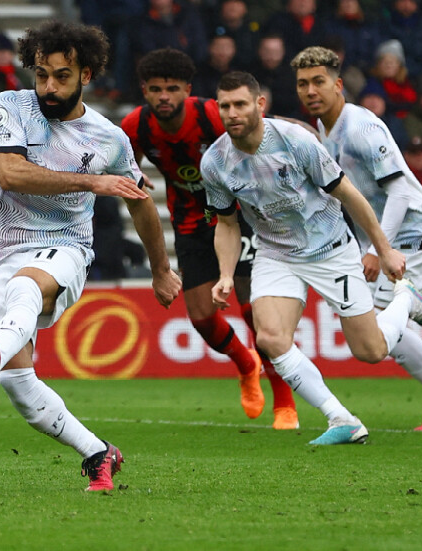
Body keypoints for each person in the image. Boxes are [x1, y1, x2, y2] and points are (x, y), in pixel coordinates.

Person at [0, 21, 181, 491]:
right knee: (17, 384)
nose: (49, 88)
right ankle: (99, 453)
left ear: (87, 74)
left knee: (26, 286)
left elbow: (140, 202)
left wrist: (161, 270)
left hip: (65, 244)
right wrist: (92, 181)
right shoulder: (11, 106)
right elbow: (11, 173)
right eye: (42, 75)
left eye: (61, 76)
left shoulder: (108, 138)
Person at [200, 71, 422, 445]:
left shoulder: (296, 141)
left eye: (240, 104)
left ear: (260, 105)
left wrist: (383, 250)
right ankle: (341, 418)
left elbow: (349, 195)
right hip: (276, 254)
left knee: (371, 351)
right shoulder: (215, 162)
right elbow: (228, 224)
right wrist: (226, 274)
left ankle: (406, 300)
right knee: (270, 337)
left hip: (331, 250)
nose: (232, 113)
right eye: (225, 106)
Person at [292, 46, 422, 431]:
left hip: (414, 232)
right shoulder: (325, 127)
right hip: (383, 237)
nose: (310, 90)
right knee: (379, 325)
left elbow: (401, 192)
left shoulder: (362, 128)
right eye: (303, 83)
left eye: (319, 81)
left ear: (338, 84)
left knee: (375, 326)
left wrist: (378, 249)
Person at [121, 48, 297, 429]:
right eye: (155, 89)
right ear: (144, 91)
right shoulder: (136, 125)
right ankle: (246, 363)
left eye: (172, 88)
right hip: (189, 220)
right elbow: (122, 160)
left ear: (187, 90)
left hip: (238, 215)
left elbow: (260, 133)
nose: (164, 96)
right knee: (201, 318)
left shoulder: (212, 115)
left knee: (255, 311)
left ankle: (284, 401)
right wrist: (130, 172)